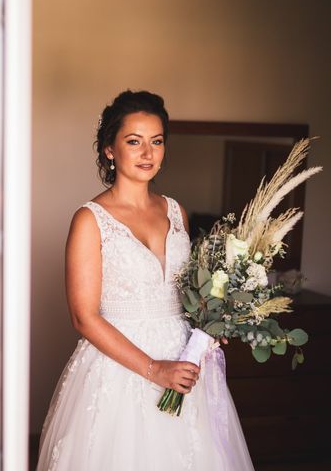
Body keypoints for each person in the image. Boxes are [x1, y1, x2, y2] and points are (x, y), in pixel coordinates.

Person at [35, 91, 254, 470]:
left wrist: (209, 325)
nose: (147, 153)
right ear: (109, 149)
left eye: (156, 141)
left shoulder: (176, 211)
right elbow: (84, 317)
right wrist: (155, 369)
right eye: (134, 142)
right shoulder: (90, 220)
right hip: (121, 368)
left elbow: (188, 292)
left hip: (185, 362)